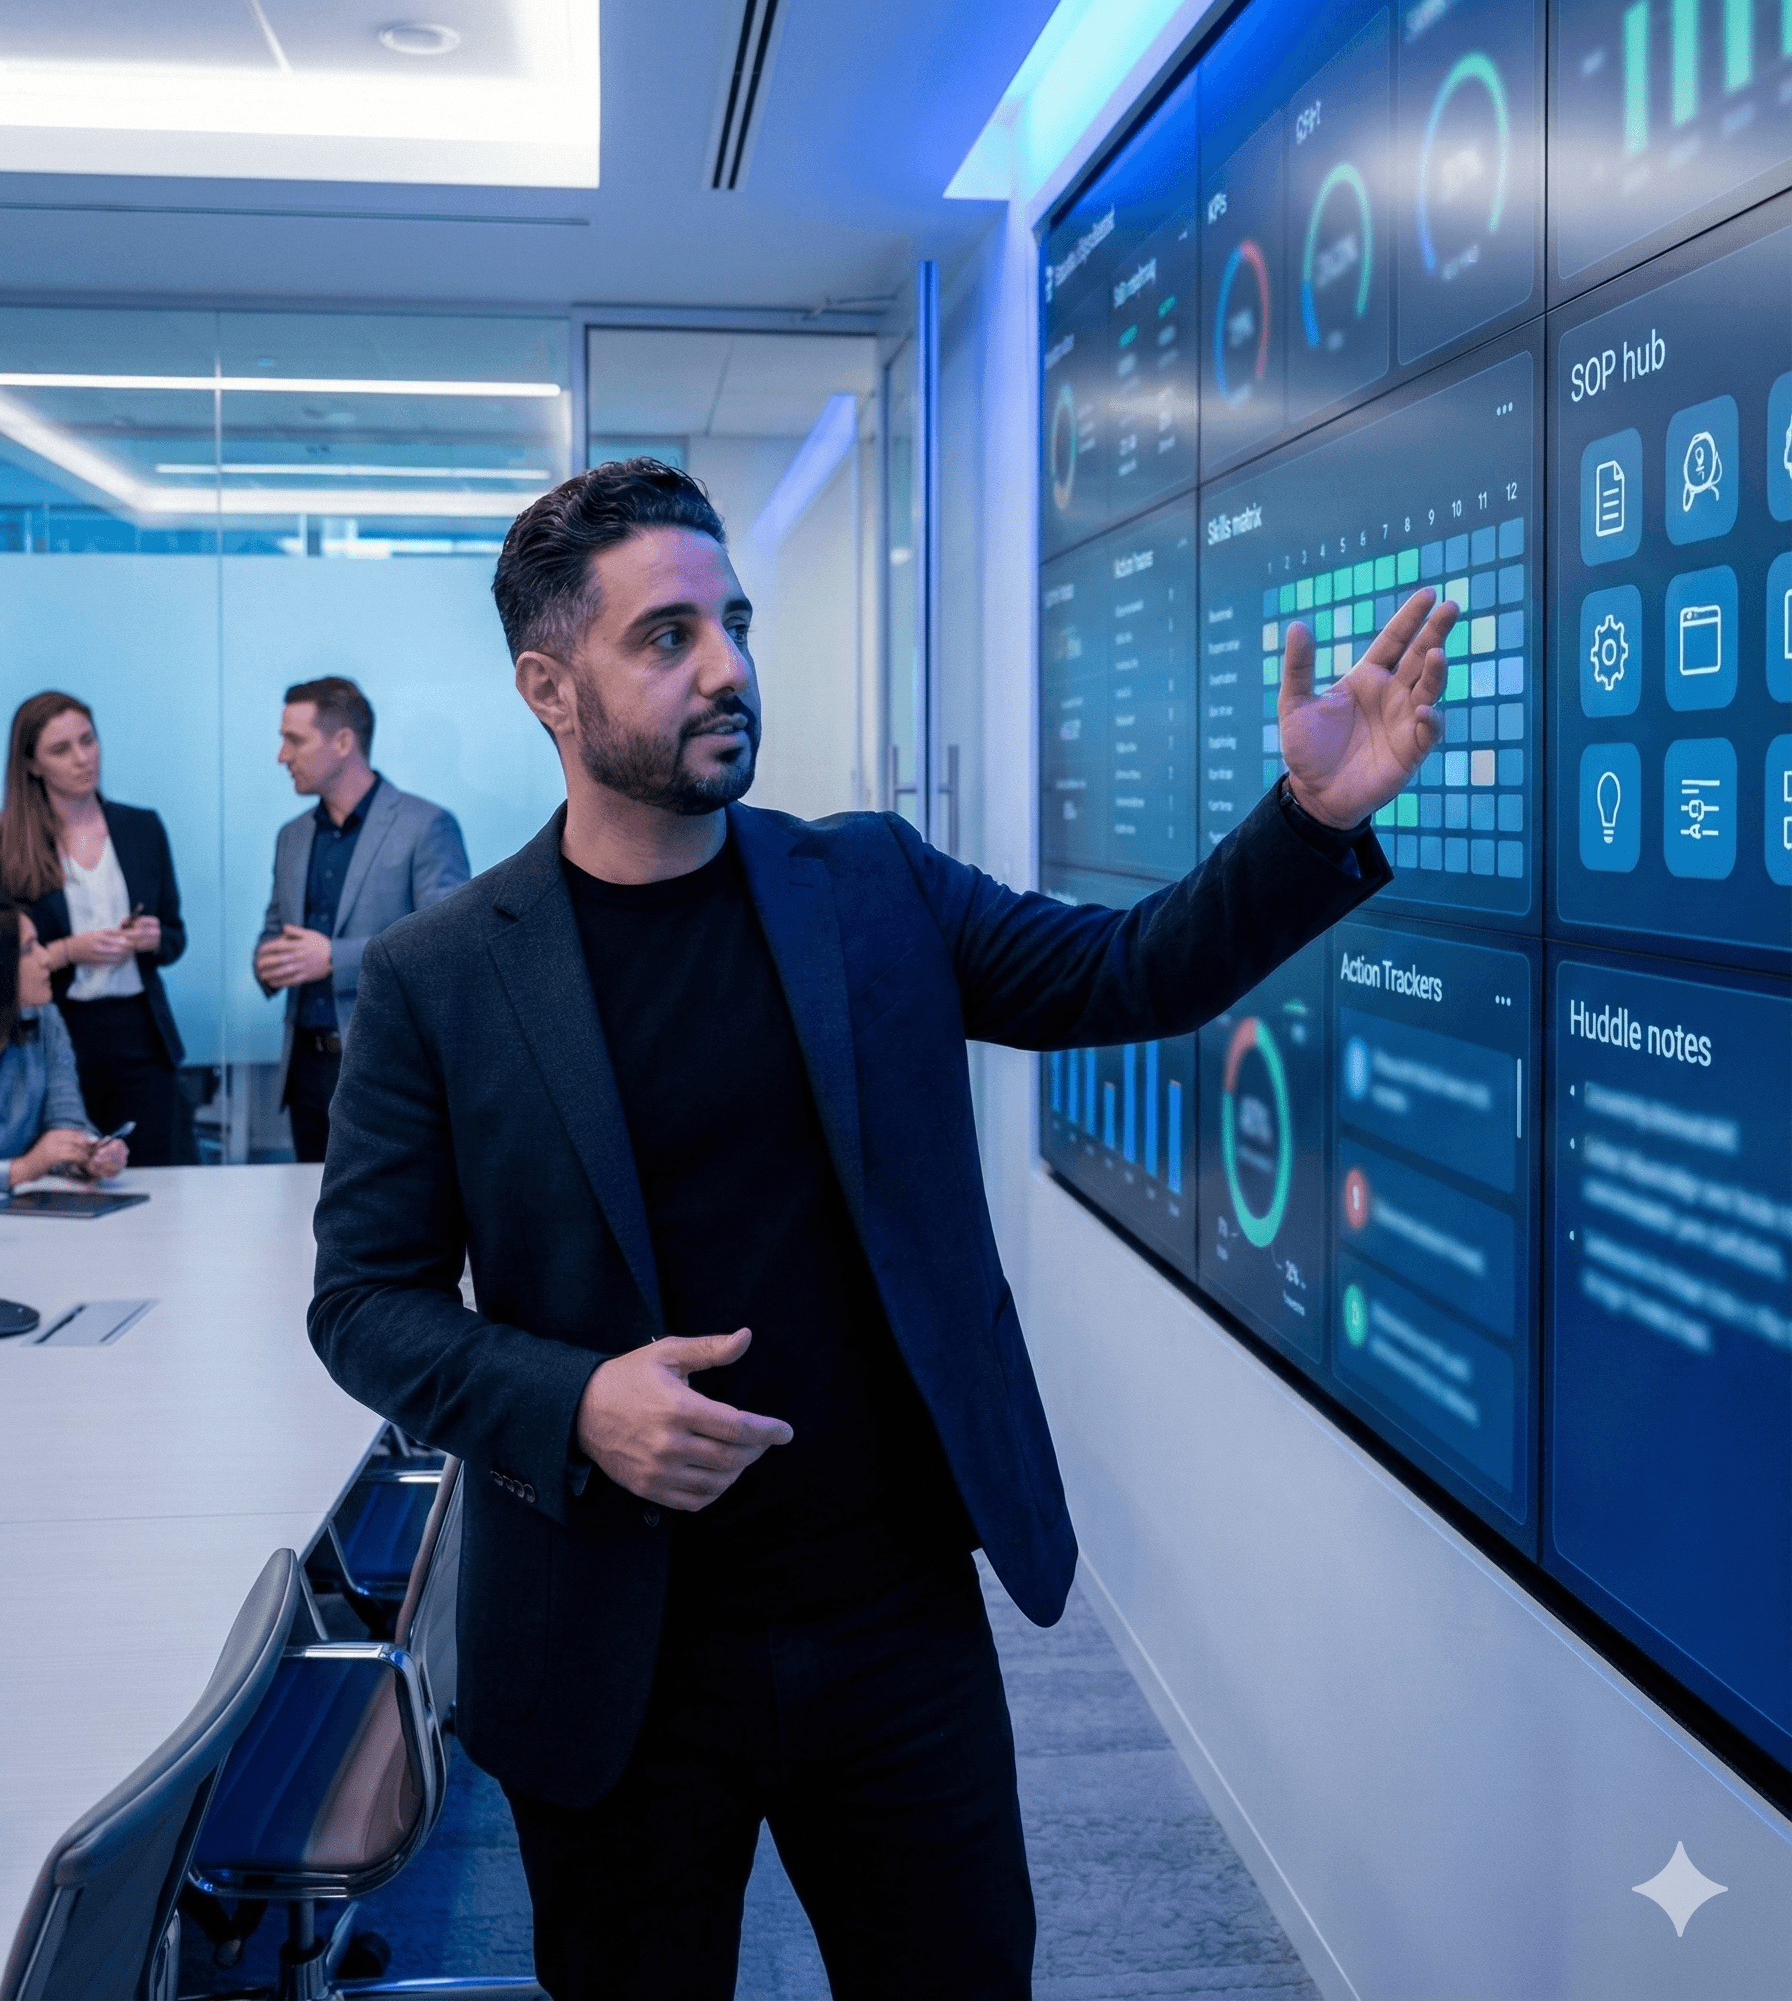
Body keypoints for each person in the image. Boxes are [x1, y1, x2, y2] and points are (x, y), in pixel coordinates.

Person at [308, 459, 1455, 2001]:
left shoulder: (867, 885)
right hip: (616, 1646)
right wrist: (576, 1404)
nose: (726, 667)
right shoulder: (442, 976)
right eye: (666, 637)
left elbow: (1129, 972)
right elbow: (364, 1303)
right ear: (548, 688)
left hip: (893, 1623)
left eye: (734, 622)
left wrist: (1307, 822)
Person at [254, 676, 469, 1164]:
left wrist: (334, 958)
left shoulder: (426, 826)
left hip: (386, 1068)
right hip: (304, 1072)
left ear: (343, 742)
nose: (282, 756)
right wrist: (268, 961)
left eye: (294, 740)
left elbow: (449, 947)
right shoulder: (292, 837)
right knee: (306, 1205)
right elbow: (273, 930)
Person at [1, 692, 196, 1166]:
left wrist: (154, 938)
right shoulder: (11, 844)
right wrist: (69, 950)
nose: (82, 758)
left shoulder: (142, 827)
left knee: (157, 1170)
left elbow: (175, 936)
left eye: (88, 740)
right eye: (61, 749)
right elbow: (7, 954)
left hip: (141, 1031)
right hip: (57, 1028)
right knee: (68, 1166)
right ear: (32, 765)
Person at [0, 899, 131, 1196]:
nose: (46, 958)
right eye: (28, 949)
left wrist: (88, 1156)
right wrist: (23, 1169)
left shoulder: (45, 1019)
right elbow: (36, 1162)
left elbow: (65, 1121)